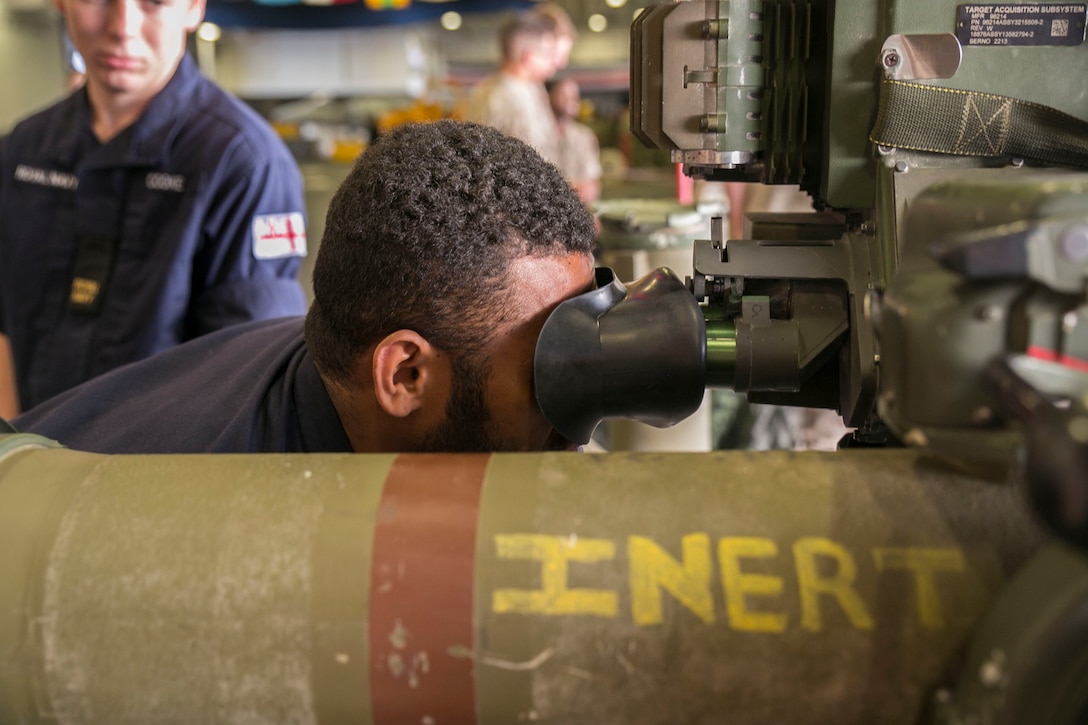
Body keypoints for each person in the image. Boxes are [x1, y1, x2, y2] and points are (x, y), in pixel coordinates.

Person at [13, 120, 599, 455]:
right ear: (403, 375)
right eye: (547, 370)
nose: (577, 431)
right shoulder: (203, 530)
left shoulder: (328, 357)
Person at [0, 0, 309, 419]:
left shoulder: (245, 164)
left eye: (155, 2)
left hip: (162, 470)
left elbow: (248, 376)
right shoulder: (22, 151)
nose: (123, 26)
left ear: (193, 8)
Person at [464, 10, 562, 167]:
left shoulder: (486, 89)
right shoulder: (510, 99)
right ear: (529, 57)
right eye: (547, 54)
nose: (555, 62)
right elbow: (532, 167)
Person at [548, 76, 602, 204]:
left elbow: (591, 185)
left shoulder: (584, 136)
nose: (572, 99)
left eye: (574, 95)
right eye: (564, 94)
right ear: (549, 96)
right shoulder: (536, 134)